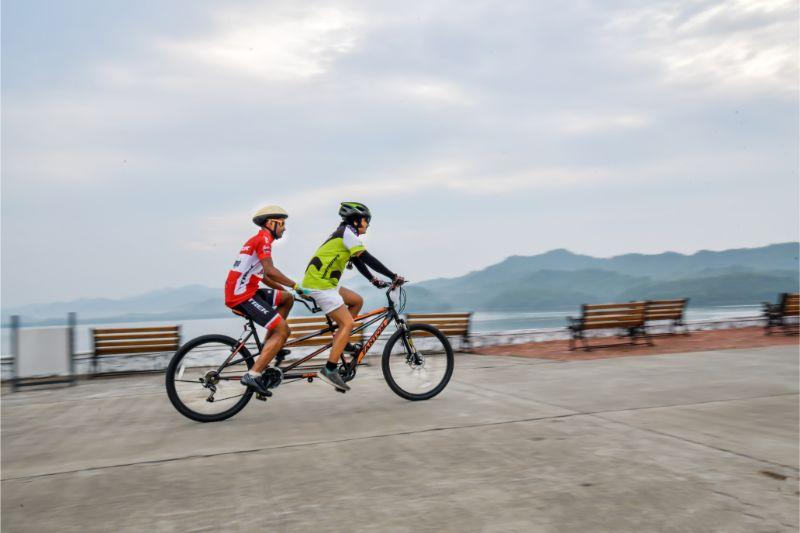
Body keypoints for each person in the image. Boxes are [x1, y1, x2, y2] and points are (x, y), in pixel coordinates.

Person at [299, 202, 403, 391]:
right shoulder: (347, 232)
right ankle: (329, 370)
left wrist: (373, 280)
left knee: (356, 301)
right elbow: (366, 257)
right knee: (347, 323)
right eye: (366, 220)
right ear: (356, 221)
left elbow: (356, 259)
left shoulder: (345, 233)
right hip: (320, 286)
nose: (368, 225)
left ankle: (342, 341)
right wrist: (393, 276)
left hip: (325, 284)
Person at [225, 205, 303, 397]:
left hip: (248, 289)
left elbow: (263, 276)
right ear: (270, 223)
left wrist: (287, 290)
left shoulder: (259, 240)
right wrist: (296, 286)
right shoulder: (263, 240)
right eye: (282, 223)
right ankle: (253, 374)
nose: (284, 228)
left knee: (286, 299)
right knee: (284, 330)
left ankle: (271, 346)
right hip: (242, 295)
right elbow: (270, 271)